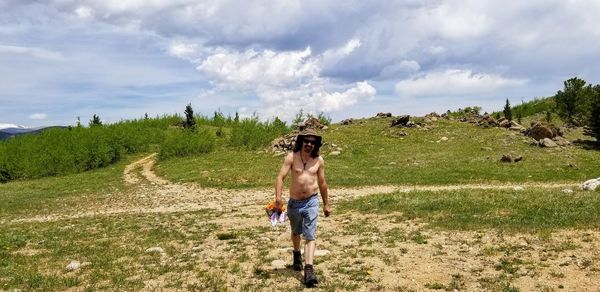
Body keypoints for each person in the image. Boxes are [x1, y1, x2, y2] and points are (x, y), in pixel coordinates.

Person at [274, 128, 331, 287]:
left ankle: (309, 269)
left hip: (312, 201)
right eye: (307, 141)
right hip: (294, 202)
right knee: (296, 232)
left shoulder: (319, 160)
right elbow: (280, 177)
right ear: (301, 141)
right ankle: (296, 253)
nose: (309, 144)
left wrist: (326, 204)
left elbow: (322, 183)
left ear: (316, 144)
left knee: (310, 235)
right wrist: (278, 197)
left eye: (313, 142)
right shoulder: (291, 157)